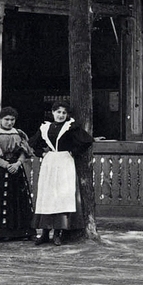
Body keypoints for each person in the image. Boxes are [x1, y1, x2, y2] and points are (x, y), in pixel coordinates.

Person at [32, 102, 93, 245]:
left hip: (65, 161)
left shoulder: (70, 127)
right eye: (58, 112)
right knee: (47, 195)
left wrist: (73, 152)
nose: (61, 115)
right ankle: (45, 233)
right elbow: (34, 144)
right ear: (52, 113)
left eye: (64, 113)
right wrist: (42, 153)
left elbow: (87, 141)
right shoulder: (46, 127)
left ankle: (58, 233)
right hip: (50, 162)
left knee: (61, 195)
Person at [0, 105, 35, 241]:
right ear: (0, 119)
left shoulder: (19, 134)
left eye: (12, 120)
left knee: (19, 200)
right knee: (1, 200)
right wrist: (7, 165)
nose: (9, 122)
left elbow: (25, 152)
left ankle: (22, 232)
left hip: (17, 171)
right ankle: (1, 233)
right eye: (6, 119)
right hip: (1, 171)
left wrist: (17, 164)